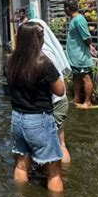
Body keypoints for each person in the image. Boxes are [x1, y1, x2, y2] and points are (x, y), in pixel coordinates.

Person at [7, 21, 65, 193]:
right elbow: (60, 91)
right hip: (39, 118)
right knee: (54, 170)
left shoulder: (10, 61)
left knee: (21, 164)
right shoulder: (43, 63)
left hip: (17, 118)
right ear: (37, 40)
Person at [30, 18, 71, 164]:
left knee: (59, 143)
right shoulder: (46, 53)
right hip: (56, 101)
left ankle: (59, 173)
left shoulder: (44, 55)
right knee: (58, 140)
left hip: (55, 101)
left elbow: (58, 89)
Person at [64, 0, 97, 109]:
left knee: (85, 77)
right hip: (75, 56)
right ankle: (77, 98)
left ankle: (87, 101)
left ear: (67, 9)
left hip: (81, 56)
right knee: (77, 76)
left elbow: (87, 37)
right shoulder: (74, 20)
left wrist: (90, 46)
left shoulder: (79, 19)